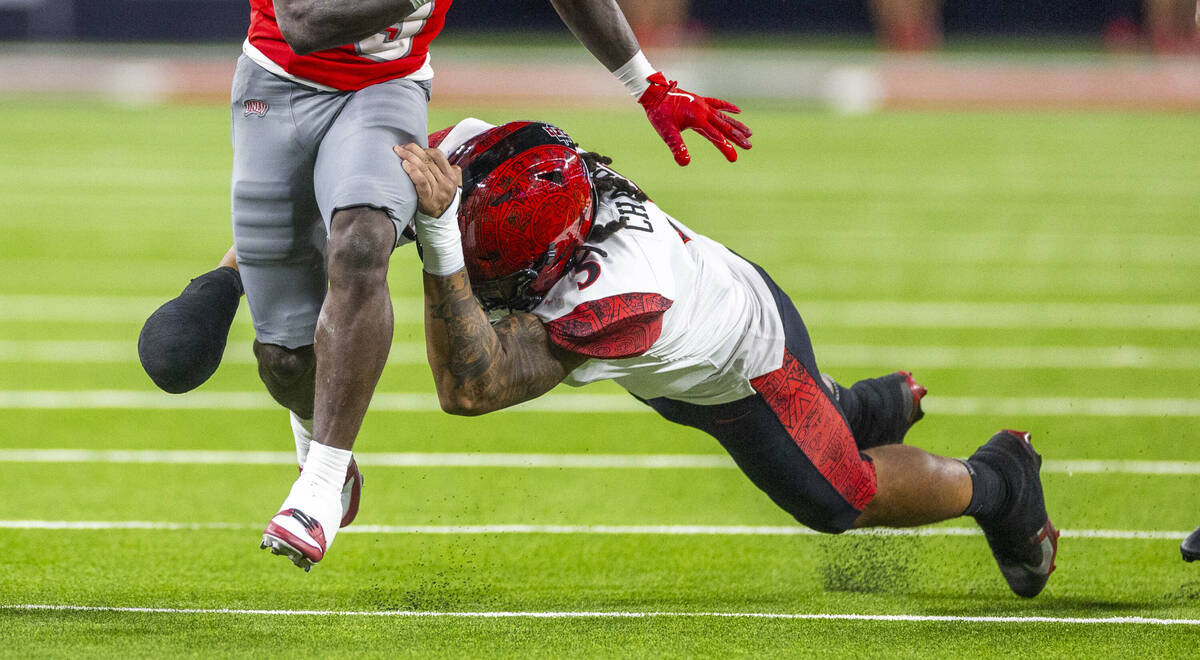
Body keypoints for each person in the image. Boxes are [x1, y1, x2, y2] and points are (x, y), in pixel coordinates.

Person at [217, 0, 751, 571]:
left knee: (356, 241)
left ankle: (316, 486)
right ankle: (317, 441)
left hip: (389, 85)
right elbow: (303, 13)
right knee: (280, 355)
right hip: (279, 78)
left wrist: (646, 82)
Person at [390, 118, 1060, 599]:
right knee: (774, 417)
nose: (490, 288)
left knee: (839, 497)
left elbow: (471, 388)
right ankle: (868, 406)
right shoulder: (500, 159)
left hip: (747, 366)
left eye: (500, 270)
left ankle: (1001, 481)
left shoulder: (622, 294)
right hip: (705, 323)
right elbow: (404, 178)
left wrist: (441, 242)